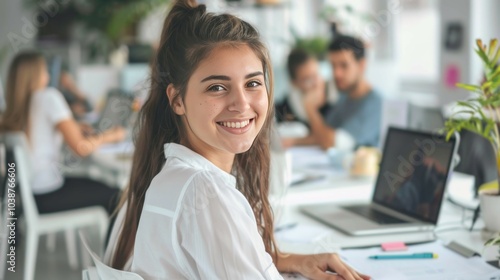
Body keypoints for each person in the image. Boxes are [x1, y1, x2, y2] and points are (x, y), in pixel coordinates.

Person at [107, 1, 370, 280]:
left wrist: (287, 260)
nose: (241, 104)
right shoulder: (205, 193)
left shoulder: (174, 176)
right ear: (177, 100)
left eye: (253, 83)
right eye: (217, 87)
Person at [0, 52, 125, 216]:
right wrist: (111, 136)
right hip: (48, 194)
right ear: (36, 75)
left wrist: (74, 127)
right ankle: (114, 243)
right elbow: (81, 148)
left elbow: (41, 131)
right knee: (118, 196)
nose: (48, 75)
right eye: (45, 71)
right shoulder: (49, 97)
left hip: (25, 197)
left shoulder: (15, 108)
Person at [283, 35, 382, 151]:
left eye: (344, 66)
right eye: (333, 66)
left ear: (361, 65)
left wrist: (310, 109)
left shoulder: (376, 104)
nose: (336, 73)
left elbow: (330, 142)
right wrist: (292, 141)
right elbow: (322, 134)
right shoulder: (345, 97)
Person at [275, 48, 338, 126]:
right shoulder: (284, 111)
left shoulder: (338, 95)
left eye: (316, 75)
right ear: (294, 83)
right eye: (308, 80)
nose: (316, 83)